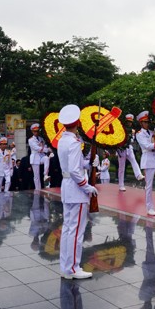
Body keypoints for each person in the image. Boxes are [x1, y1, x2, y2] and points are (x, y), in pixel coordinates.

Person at [57, 104, 98, 279]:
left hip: (67, 187)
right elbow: (75, 170)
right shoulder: (74, 143)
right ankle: (73, 268)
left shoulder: (63, 140)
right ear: (78, 122)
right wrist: (87, 186)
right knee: (76, 231)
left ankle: (66, 267)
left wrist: (89, 163)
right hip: (76, 190)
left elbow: (73, 165)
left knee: (67, 229)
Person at [116, 113, 144, 191]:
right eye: (128, 121)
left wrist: (132, 134)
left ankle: (138, 175)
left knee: (134, 161)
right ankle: (121, 185)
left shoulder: (132, 130)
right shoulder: (122, 129)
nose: (129, 123)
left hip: (129, 148)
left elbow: (132, 140)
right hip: (121, 149)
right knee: (121, 168)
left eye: (130, 122)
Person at [28, 123, 52, 190]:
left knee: (47, 158)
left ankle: (45, 174)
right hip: (35, 157)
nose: (36, 132)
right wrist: (47, 150)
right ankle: (37, 189)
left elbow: (44, 145)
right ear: (32, 132)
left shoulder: (41, 138)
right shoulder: (30, 140)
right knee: (36, 176)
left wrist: (48, 148)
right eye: (35, 131)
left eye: (37, 131)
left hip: (41, 156)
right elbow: (37, 148)